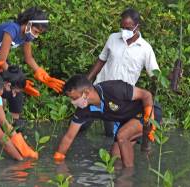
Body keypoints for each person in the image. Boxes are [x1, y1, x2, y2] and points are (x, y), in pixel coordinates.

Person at [0, 6, 64, 121]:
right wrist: (19, 82)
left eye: (38, 34)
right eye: (36, 32)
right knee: (11, 89)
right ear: (28, 23)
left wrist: (43, 74)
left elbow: (29, 58)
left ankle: (15, 124)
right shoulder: (12, 29)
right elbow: (2, 60)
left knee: (17, 92)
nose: (36, 36)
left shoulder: (27, 36)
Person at [53, 74, 159, 167]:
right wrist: (58, 158)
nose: (73, 102)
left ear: (86, 93)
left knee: (122, 135)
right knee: (115, 158)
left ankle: (127, 177)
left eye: (74, 98)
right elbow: (69, 137)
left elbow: (146, 95)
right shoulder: (82, 110)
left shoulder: (113, 88)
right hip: (126, 122)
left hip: (147, 113)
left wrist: (150, 120)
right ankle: (125, 179)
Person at [86, 8, 160, 136]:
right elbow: (101, 60)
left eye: (128, 28)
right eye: (122, 27)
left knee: (111, 134)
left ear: (138, 27)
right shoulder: (113, 38)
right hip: (99, 89)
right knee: (80, 125)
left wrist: (170, 77)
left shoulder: (146, 49)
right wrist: (86, 81)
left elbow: (155, 75)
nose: (124, 31)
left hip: (118, 98)